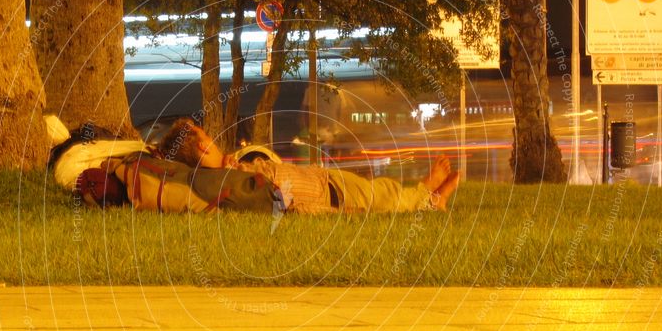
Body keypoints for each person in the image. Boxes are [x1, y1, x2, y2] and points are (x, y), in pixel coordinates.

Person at [159, 117, 460, 214]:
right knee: (384, 197)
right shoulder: (227, 181)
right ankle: (429, 193)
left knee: (378, 192)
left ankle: (430, 196)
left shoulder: (225, 175)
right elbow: (281, 201)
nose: (210, 140)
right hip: (328, 192)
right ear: (201, 145)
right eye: (205, 137)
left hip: (323, 180)